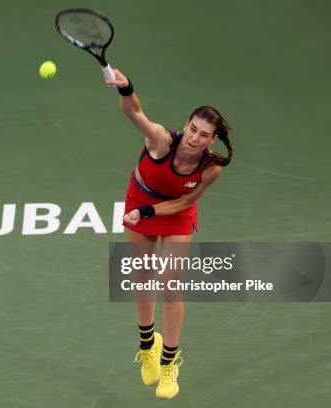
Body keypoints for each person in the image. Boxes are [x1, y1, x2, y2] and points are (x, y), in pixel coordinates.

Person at [105, 69, 233, 399]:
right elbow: (134, 112)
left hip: (175, 211)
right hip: (141, 197)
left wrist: (147, 213)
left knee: (170, 285)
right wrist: (126, 88)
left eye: (204, 134)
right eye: (192, 128)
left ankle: (170, 361)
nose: (194, 137)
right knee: (143, 275)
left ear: (213, 139)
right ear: (186, 125)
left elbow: (184, 201)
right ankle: (147, 344)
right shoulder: (161, 140)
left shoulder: (211, 168)